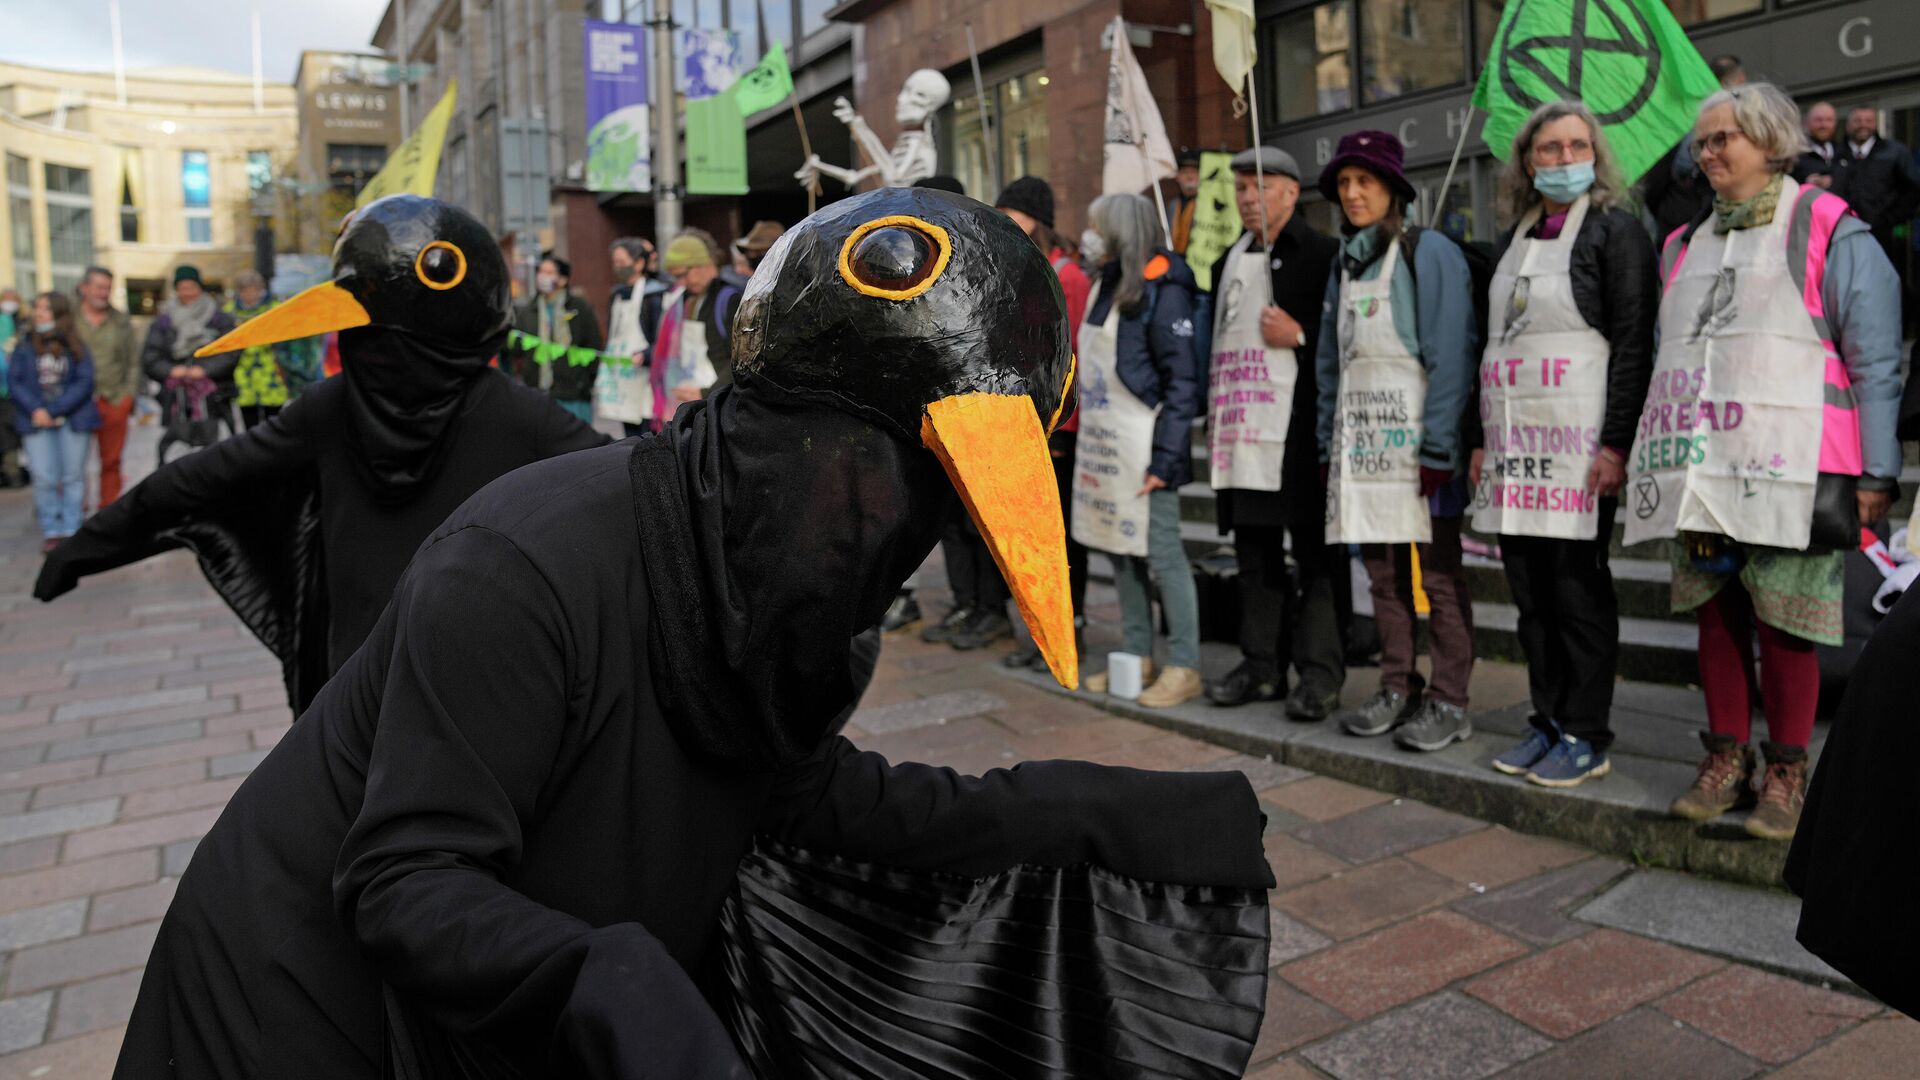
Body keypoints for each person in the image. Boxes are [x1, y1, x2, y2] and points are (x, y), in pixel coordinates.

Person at [103, 185, 1274, 1080]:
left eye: (929, 501)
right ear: (795, 434)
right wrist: (590, 968)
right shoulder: (525, 561)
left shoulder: (784, 606)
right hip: (289, 1022)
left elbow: (802, 798)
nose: (888, 534)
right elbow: (406, 878)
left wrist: (1084, 816)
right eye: (879, 476)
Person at [37, 197, 610, 713]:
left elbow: (199, 479)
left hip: (355, 678)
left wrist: (87, 548)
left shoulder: (329, 408)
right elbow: (626, 476)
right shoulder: (517, 414)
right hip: (471, 676)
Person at [1627, 83, 1902, 842]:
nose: (1706, 152)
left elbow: (1874, 359)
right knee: (1715, 617)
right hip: (1704, 467)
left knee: (1787, 626)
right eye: (1703, 141)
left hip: (1798, 467)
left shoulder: (1829, 227)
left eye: (1725, 139)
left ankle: (1785, 771)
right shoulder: (1681, 245)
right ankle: (1725, 759)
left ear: (1772, 143)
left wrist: (1877, 473)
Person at [1467, 102, 1658, 787]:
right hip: (1516, 448)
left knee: (1577, 593)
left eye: (1577, 145)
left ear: (1596, 156)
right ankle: (1546, 720)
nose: (1564, 158)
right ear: (1526, 162)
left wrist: (1616, 445)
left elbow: (1634, 345)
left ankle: (1586, 731)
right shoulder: (1510, 239)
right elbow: (1488, 346)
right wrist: (1481, 439)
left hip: (1578, 451)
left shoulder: (1617, 233)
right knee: (1529, 595)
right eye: (1549, 148)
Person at [1314, 130, 1480, 751]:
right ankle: (1396, 684)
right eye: (1345, 185)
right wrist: (1328, 442)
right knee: (1382, 579)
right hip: (1361, 451)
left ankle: (1451, 697)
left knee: (1437, 578)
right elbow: (1333, 364)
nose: (1354, 194)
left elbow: (1451, 355)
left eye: (1366, 182)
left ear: (1393, 190)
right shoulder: (1344, 262)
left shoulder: (1426, 252)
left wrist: (1439, 449)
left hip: (1418, 453)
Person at [1202, 147, 1346, 718]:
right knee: (1254, 556)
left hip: (1297, 434)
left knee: (1316, 559)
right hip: (1240, 431)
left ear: (1291, 191)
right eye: (1239, 189)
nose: (1247, 198)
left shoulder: (1323, 255)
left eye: (1259, 187)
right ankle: (1262, 666)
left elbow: (1346, 345)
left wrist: (1302, 335)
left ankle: (1320, 674)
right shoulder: (1225, 263)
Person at [1074, 192, 1205, 708]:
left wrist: (1166, 459)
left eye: (1097, 226)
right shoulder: (1106, 284)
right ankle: (1136, 654)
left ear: (1121, 232)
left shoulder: (1163, 289)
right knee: (1119, 552)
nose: (1089, 235)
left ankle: (1185, 664)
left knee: (1163, 555)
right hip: (1105, 446)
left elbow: (1181, 383)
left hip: (1146, 446)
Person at [995, 176, 1093, 667]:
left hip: (1056, 429)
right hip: (1023, 425)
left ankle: (1066, 629)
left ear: (1036, 219)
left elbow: (1069, 357)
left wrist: (1059, 429)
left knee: (1060, 535)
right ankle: (1042, 633)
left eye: (1012, 212)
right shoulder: (1021, 271)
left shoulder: (1068, 276)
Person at [10, 292, 99, 550]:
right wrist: (37, 409)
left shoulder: (77, 346)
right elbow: (15, 382)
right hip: (35, 421)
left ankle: (72, 529)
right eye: (37, 308)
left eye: (45, 309)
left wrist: (57, 409)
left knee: (73, 475)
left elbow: (85, 380)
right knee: (44, 477)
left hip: (72, 419)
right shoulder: (24, 345)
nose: (39, 313)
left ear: (59, 315)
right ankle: (52, 529)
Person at [650, 228, 740, 429]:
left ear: (702, 264)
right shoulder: (687, 300)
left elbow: (742, 360)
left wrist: (706, 393)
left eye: (683, 275)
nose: (682, 283)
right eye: (676, 278)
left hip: (721, 405)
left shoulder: (729, 299)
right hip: (699, 405)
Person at [1839, 105, 1920, 322]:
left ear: (1876, 124)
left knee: (1888, 282)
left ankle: (1897, 328)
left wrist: (1890, 220)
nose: (1862, 125)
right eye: (1857, 120)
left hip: (1885, 235)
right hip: (1844, 235)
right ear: (1848, 125)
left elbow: (1912, 192)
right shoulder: (1838, 155)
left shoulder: (1894, 152)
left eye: (1868, 120)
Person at [143, 266, 239, 436]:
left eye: (191, 287)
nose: (187, 293)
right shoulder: (163, 321)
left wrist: (205, 369)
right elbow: (150, 356)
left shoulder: (218, 318)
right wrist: (171, 370)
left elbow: (231, 351)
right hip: (177, 397)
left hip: (215, 395)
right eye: (182, 288)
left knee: (215, 444)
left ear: (199, 288)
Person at [72, 266, 139, 505]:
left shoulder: (120, 320)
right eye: (99, 287)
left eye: (108, 288)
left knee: (111, 460)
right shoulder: (68, 319)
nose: (104, 293)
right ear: (84, 288)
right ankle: (75, 511)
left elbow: (133, 360)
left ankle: (108, 510)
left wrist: (128, 395)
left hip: (113, 398)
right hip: (75, 401)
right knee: (73, 462)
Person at [510, 254, 603, 424]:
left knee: (578, 447)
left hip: (574, 393)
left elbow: (593, 345)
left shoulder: (579, 308)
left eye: (549, 272)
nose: (543, 276)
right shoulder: (528, 310)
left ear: (563, 279)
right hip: (538, 392)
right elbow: (517, 347)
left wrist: (584, 382)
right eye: (541, 271)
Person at [599, 237, 666, 438]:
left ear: (639, 263)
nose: (617, 267)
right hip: (623, 376)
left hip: (647, 379)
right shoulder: (616, 295)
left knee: (649, 435)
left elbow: (662, 338)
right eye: (615, 262)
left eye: (622, 261)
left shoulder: (655, 295)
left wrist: (646, 355)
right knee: (628, 437)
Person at [223, 270, 293, 430]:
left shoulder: (275, 309)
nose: (249, 294)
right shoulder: (229, 312)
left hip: (271, 371)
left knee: (274, 422)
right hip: (243, 373)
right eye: (244, 290)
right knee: (250, 424)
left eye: (253, 289)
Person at [1792, 101, 1844, 192]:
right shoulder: (1795, 154)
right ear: (1806, 123)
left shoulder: (1845, 152)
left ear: (1835, 123)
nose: (1823, 125)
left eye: (1829, 120)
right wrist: (1805, 184)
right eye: (1818, 120)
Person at [0, 288, 20, 488]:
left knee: (8, 433)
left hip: (8, 390)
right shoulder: (6, 320)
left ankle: (12, 473)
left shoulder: (11, 321)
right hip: (6, 387)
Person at [1170, 147, 1202, 254]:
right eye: (1185, 172)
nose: (1190, 176)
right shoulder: (1171, 205)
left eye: (1194, 172)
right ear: (1177, 176)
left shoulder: (1206, 205)